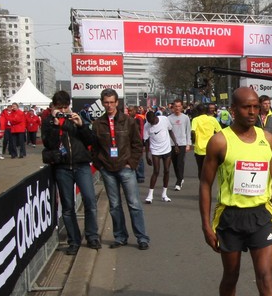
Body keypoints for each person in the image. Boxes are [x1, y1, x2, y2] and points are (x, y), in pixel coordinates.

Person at [198, 87, 272, 296]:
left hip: (261, 216)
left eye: (256, 107)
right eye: (247, 107)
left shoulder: (267, 139)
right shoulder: (220, 141)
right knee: (231, 275)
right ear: (233, 110)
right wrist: (206, 225)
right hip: (231, 217)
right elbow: (205, 184)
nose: (252, 112)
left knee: (266, 279)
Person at [41, 90, 100, 254]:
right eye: (59, 108)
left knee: (90, 201)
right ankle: (74, 240)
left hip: (81, 164)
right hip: (62, 167)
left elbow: (90, 140)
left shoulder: (76, 117)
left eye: (65, 107)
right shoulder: (48, 122)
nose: (63, 111)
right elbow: (49, 144)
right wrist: (55, 124)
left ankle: (92, 236)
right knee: (68, 207)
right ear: (53, 107)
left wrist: (81, 125)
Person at [91, 88, 149, 250]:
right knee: (115, 205)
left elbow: (137, 144)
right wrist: (100, 165)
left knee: (134, 204)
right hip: (107, 169)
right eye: (106, 102)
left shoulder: (128, 121)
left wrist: (131, 163)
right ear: (102, 103)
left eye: (112, 102)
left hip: (125, 167)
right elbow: (94, 148)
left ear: (117, 103)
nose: (109, 105)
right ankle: (120, 236)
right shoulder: (98, 124)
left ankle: (142, 237)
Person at [143, 109, 174, 204]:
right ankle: (150, 195)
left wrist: (176, 144)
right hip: (155, 150)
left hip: (167, 149)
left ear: (155, 117)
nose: (151, 124)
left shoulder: (164, 119)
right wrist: (147, 156)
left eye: (152, 122)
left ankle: (164, 194)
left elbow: (170, 131)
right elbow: (146, 141)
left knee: (167, 171)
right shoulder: (147, 126)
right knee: (156, 171)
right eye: (149, 122)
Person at [166, 99, 192, 190]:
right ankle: (180, 178)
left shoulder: (185, 118)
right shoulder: (169, 118)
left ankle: (178, 182)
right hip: (172, 144)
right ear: (173, 107)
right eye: (175, 106)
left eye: (179, 106)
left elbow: (188, 131)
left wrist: (188, 144)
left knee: (180, 163)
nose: (177, 108)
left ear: (181, 107)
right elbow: (167, 131)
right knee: (175, 163)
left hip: (182, 143)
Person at [192, 103, 223, 177]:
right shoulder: (212, 119)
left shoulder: (195, 120)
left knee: (200, 168)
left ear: (197, 111)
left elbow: (192, 132)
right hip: (211, 148)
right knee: (210, 168)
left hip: (199, 149)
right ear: (206, 111)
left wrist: (193, 142)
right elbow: (220, 132)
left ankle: (201, 182)